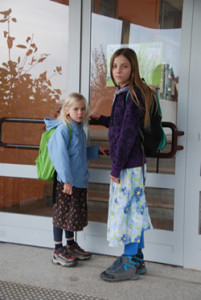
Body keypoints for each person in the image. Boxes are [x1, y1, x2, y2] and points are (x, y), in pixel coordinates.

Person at [90, 48, 154, 282]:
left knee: (127, 212)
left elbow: (127, 133)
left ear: (133, 68)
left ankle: (130, 261)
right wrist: (102, 120)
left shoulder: (134, 94)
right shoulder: (123, 92)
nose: (118, 70)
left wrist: (116, 168)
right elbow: (120, 124)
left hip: (129, 164)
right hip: (128, 162)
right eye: (115, 65)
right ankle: (136, 259)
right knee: (133, 210)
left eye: (124, 66)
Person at [45, 92, 98, 267]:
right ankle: (57, 250)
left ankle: (70, 245)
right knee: (61, 215)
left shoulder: (79, 129)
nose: (80, 112)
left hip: (78, 181)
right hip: (66, 182)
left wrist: (96, 151)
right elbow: (60, 157)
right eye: (76, 109)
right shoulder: (63, 129)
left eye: (83, 108)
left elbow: (77, 153)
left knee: (70, 215)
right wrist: (66, 180)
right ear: (67, 111)